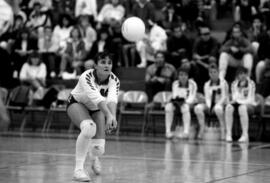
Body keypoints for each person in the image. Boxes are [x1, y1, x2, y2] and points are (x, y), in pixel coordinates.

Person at [67, 51, 120, 181]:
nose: (106, 65)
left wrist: (112, 117)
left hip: (97, 109)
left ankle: (94, 157)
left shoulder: (114, 80)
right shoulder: (86, 76)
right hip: (77, 103)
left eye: (109, 63)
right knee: (89, 127)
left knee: (99, 149)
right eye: (103, 62)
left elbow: (112, 100)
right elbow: (97, 99)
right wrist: (108, 115)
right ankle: (78, 170)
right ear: (95, 65)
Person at [194, 64, 228, 140]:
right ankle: (202, 128)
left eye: (214, 72)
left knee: (218, 109)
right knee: (197, 108)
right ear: (209, 74)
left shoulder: (223, 83)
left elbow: (224, 97)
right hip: (209, 104)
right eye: (211, 72)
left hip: (220, 104)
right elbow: (207, 98)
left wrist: (215, 106)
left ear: (218, 73)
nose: (213, 74)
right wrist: (210, 106)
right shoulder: (206, 84)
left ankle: (223, 129)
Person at [225, 66, 256, 142]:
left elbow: (250, 98)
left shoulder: (251, 83)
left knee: (242, 108)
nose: (242, 76)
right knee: (228, 107)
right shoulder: (234, 83)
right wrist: (235, 100)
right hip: (238, 103)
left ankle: (245, 135)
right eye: (240, 74)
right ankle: (229, 133)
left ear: (246, 74)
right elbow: (234, 97)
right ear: (237, 75)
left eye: (243, 74)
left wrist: (240, 102)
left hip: (249, 105)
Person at [165, 67, 197, 139]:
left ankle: (186, 132)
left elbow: (192, 96)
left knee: (185, 107)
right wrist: (176, 101)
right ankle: (168, 131)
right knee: (168, 107)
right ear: (178, 76)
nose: (183, 77)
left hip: (189, 103)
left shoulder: (192, 84)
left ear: (188, 76)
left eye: (185, 75)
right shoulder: (175, 83)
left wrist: (185, 102)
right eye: (181, 75)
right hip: (178, 102)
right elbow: (175, 95)